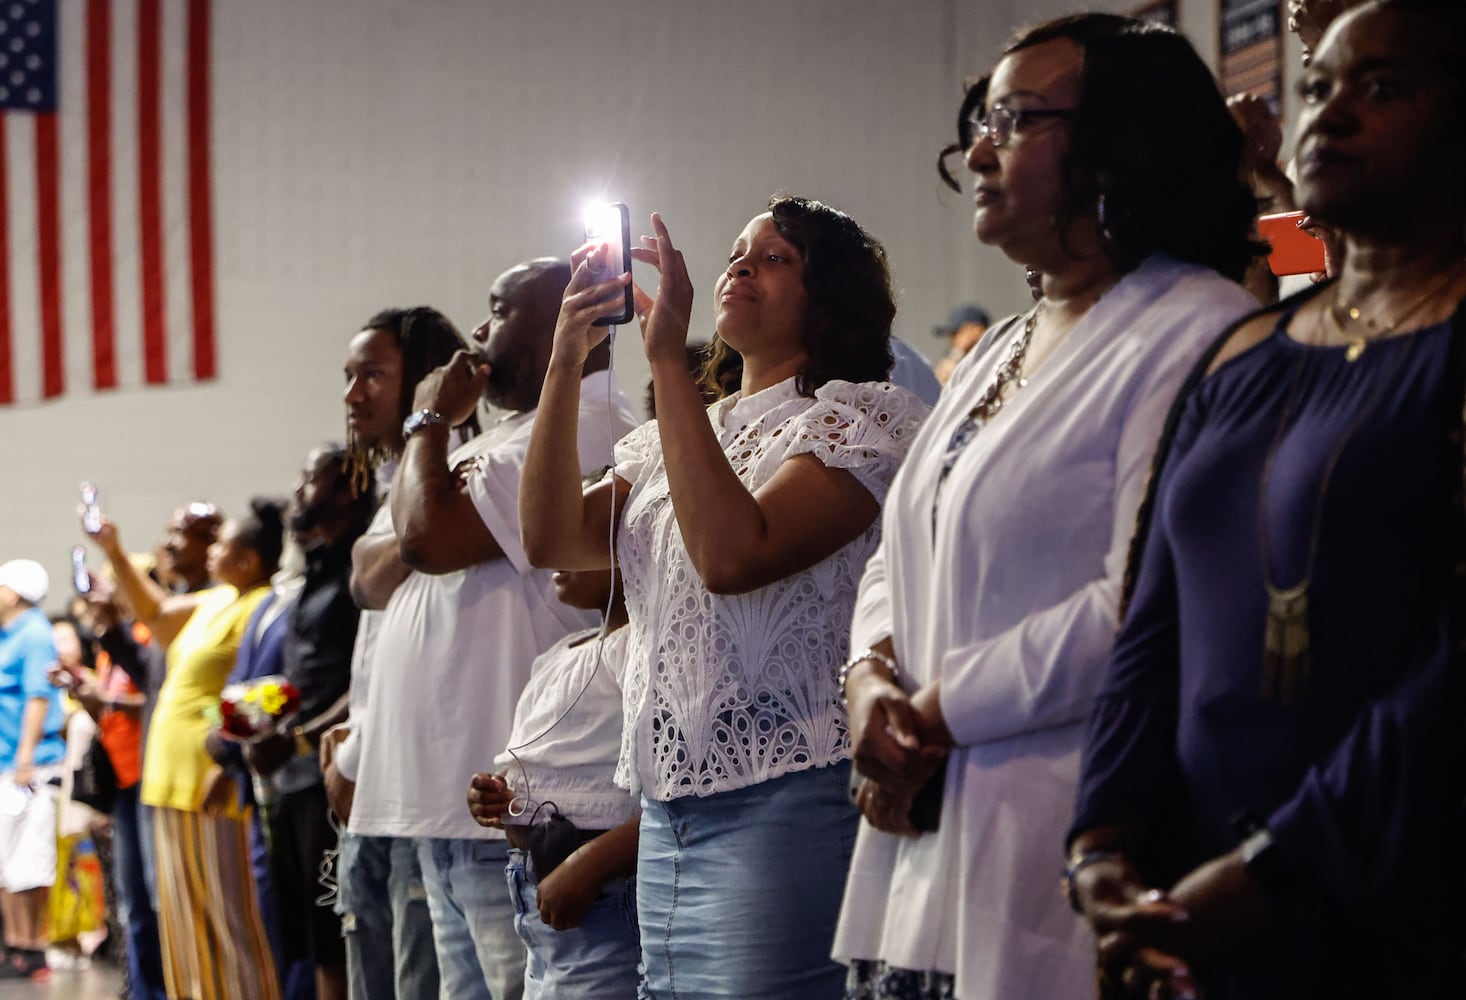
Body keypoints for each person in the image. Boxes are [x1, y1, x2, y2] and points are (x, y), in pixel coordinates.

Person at [829, 14, 1261, 999]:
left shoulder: (1196, 329)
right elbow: (905, 539)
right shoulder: (999, 342)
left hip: (1048, 841)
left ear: (1120, 144)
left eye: (1014, 121)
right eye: (980, 122)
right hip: (911, 854)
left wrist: (930, 713)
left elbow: (1145, 601)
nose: (977, 150)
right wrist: (866, 679)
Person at [1068, 3, 1466, 997]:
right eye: (1319, 85)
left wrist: (1266, 872)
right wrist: (1098, 843)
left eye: (1377, 91)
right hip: (1186, 901)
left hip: (1391, 900)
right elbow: (1148, 625)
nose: (1326, 112)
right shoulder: (1239, 353)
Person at [520, 195, 927, 998]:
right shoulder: (671, 435)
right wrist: (566, 358)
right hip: (666, 808)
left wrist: (667, 359)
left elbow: (734, 555)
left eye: (777, 258)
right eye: (738, 251)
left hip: (788, 799)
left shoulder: (862, 417)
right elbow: (553, 540)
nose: (741, 264)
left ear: (830, 299)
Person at [346, 262, 638, 1000]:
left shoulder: (584, 425)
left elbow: (423, 541)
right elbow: (369, 570)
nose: (479, 333)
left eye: (499, 310)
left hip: (505, 808)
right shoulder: (508, 438)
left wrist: (431, 422)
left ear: (565, 323)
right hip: (453, 799)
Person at [323, 305, 469, 1000]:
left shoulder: (455, 473)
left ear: (426, 380)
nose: (353, 395)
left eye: (373, 375)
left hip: (421, 785)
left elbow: (376, 573)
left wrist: (362, 754)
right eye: (350, 376)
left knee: (418, 981)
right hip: (375, 772)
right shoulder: (396, 487)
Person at [88, 501, 288, 1000]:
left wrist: (230, 760)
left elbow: (258, 689)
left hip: (209, 779)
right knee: (184, 927)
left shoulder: (259, 604)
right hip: (168, 781)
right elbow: (152, 613)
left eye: (223, 543)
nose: (215, 548)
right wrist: (112, 550)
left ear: (249, 559)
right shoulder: (216, 599)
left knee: (230, 921)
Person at [465, 559, 640, 999]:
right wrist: (501, 798)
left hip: (601, 896)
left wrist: (588, 867)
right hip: (534, 892)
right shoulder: (557, 655)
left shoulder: (642, 647)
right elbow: (545, 767)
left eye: (578, 544)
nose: (556, 560)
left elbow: (665, 795)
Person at [241, 445, 373, 1000]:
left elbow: (365, 678)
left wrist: (298, 740)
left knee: (344, 938)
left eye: (310, 478)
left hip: (336, 772)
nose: (299, 490)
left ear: (347, 489)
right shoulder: (313, 571)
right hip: (295, 778)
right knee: (315, 942)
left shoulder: (359, 567)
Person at [0, 560, 66, 981]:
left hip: (28, 767)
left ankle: (31, 947)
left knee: (27, 858)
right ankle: (14, 943)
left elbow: (38, 697)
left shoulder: (36, 633)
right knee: (7, 860)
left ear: (14, 592)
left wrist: (24, 757)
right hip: (6, 763)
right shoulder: (10, 634)